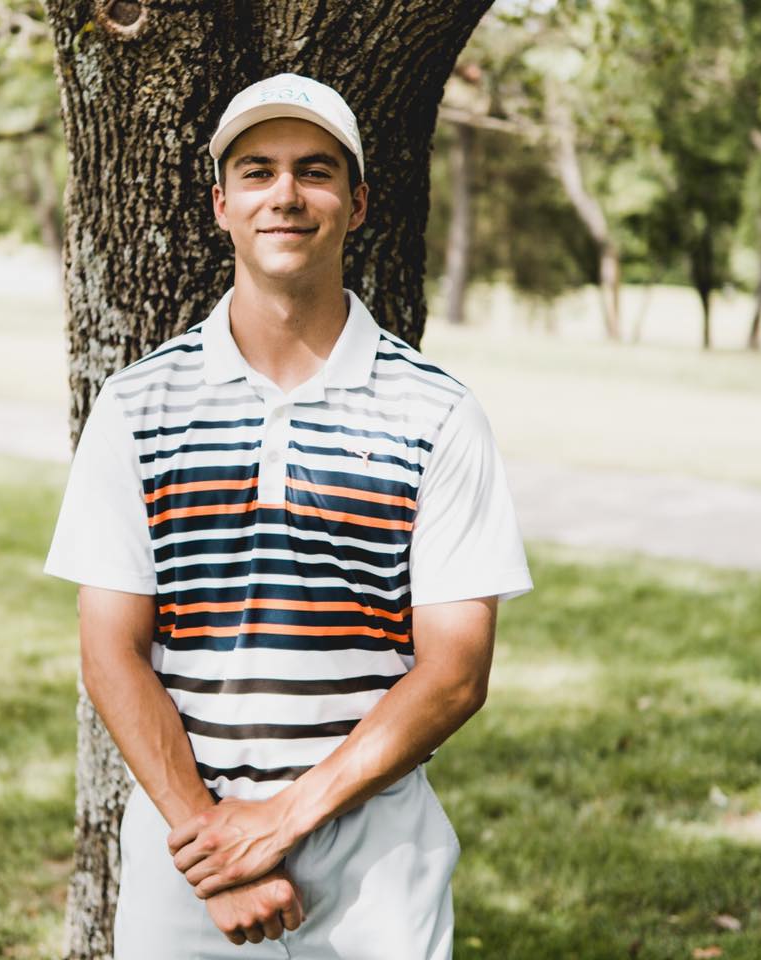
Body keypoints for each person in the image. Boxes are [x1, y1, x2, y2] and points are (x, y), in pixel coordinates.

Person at [43, 72, 534, 959]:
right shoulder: (136, 405)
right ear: (221, 204)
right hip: (187, 848)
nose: (286, 194)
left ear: (358, 202)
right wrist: (221, 851)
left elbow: (456, 674)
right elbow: (110, 652)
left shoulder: (437, 411)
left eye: (315, 170)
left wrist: (280, 822)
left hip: (376, 857)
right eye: (257, 171)